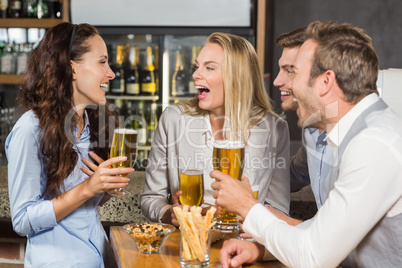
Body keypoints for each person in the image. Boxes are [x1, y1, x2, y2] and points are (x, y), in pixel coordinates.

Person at [212, 20, 402, 267]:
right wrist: (261, 249)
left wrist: (248, 207)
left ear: (325, 82)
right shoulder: (359, 133)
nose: (287, 84)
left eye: (295, 73)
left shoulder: (373, 144)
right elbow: (327, 233)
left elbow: (313, 257)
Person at [6, 22, 133, 267]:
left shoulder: (92, 123)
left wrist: (105, 186)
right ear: (72, 68)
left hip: (99, 257)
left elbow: (85, 204)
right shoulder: (30, 129)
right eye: (102, 62)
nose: (111, 73)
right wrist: (87, 188)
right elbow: (22, 220)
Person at [140, 32, 290, 227]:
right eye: (197, 66)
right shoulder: (174, 119)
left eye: (209, 67)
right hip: (189, 244)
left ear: (237, 77)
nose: (195, 75)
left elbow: (277, 210)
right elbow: (150, 198)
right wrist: (170, 213)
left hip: (245, 246)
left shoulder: (274, 129)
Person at [275, 27, 334, 210]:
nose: (277, 81)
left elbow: (336, 233)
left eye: (290, 71)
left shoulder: (359, 139)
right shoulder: (313, 126)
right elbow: (297, 173)